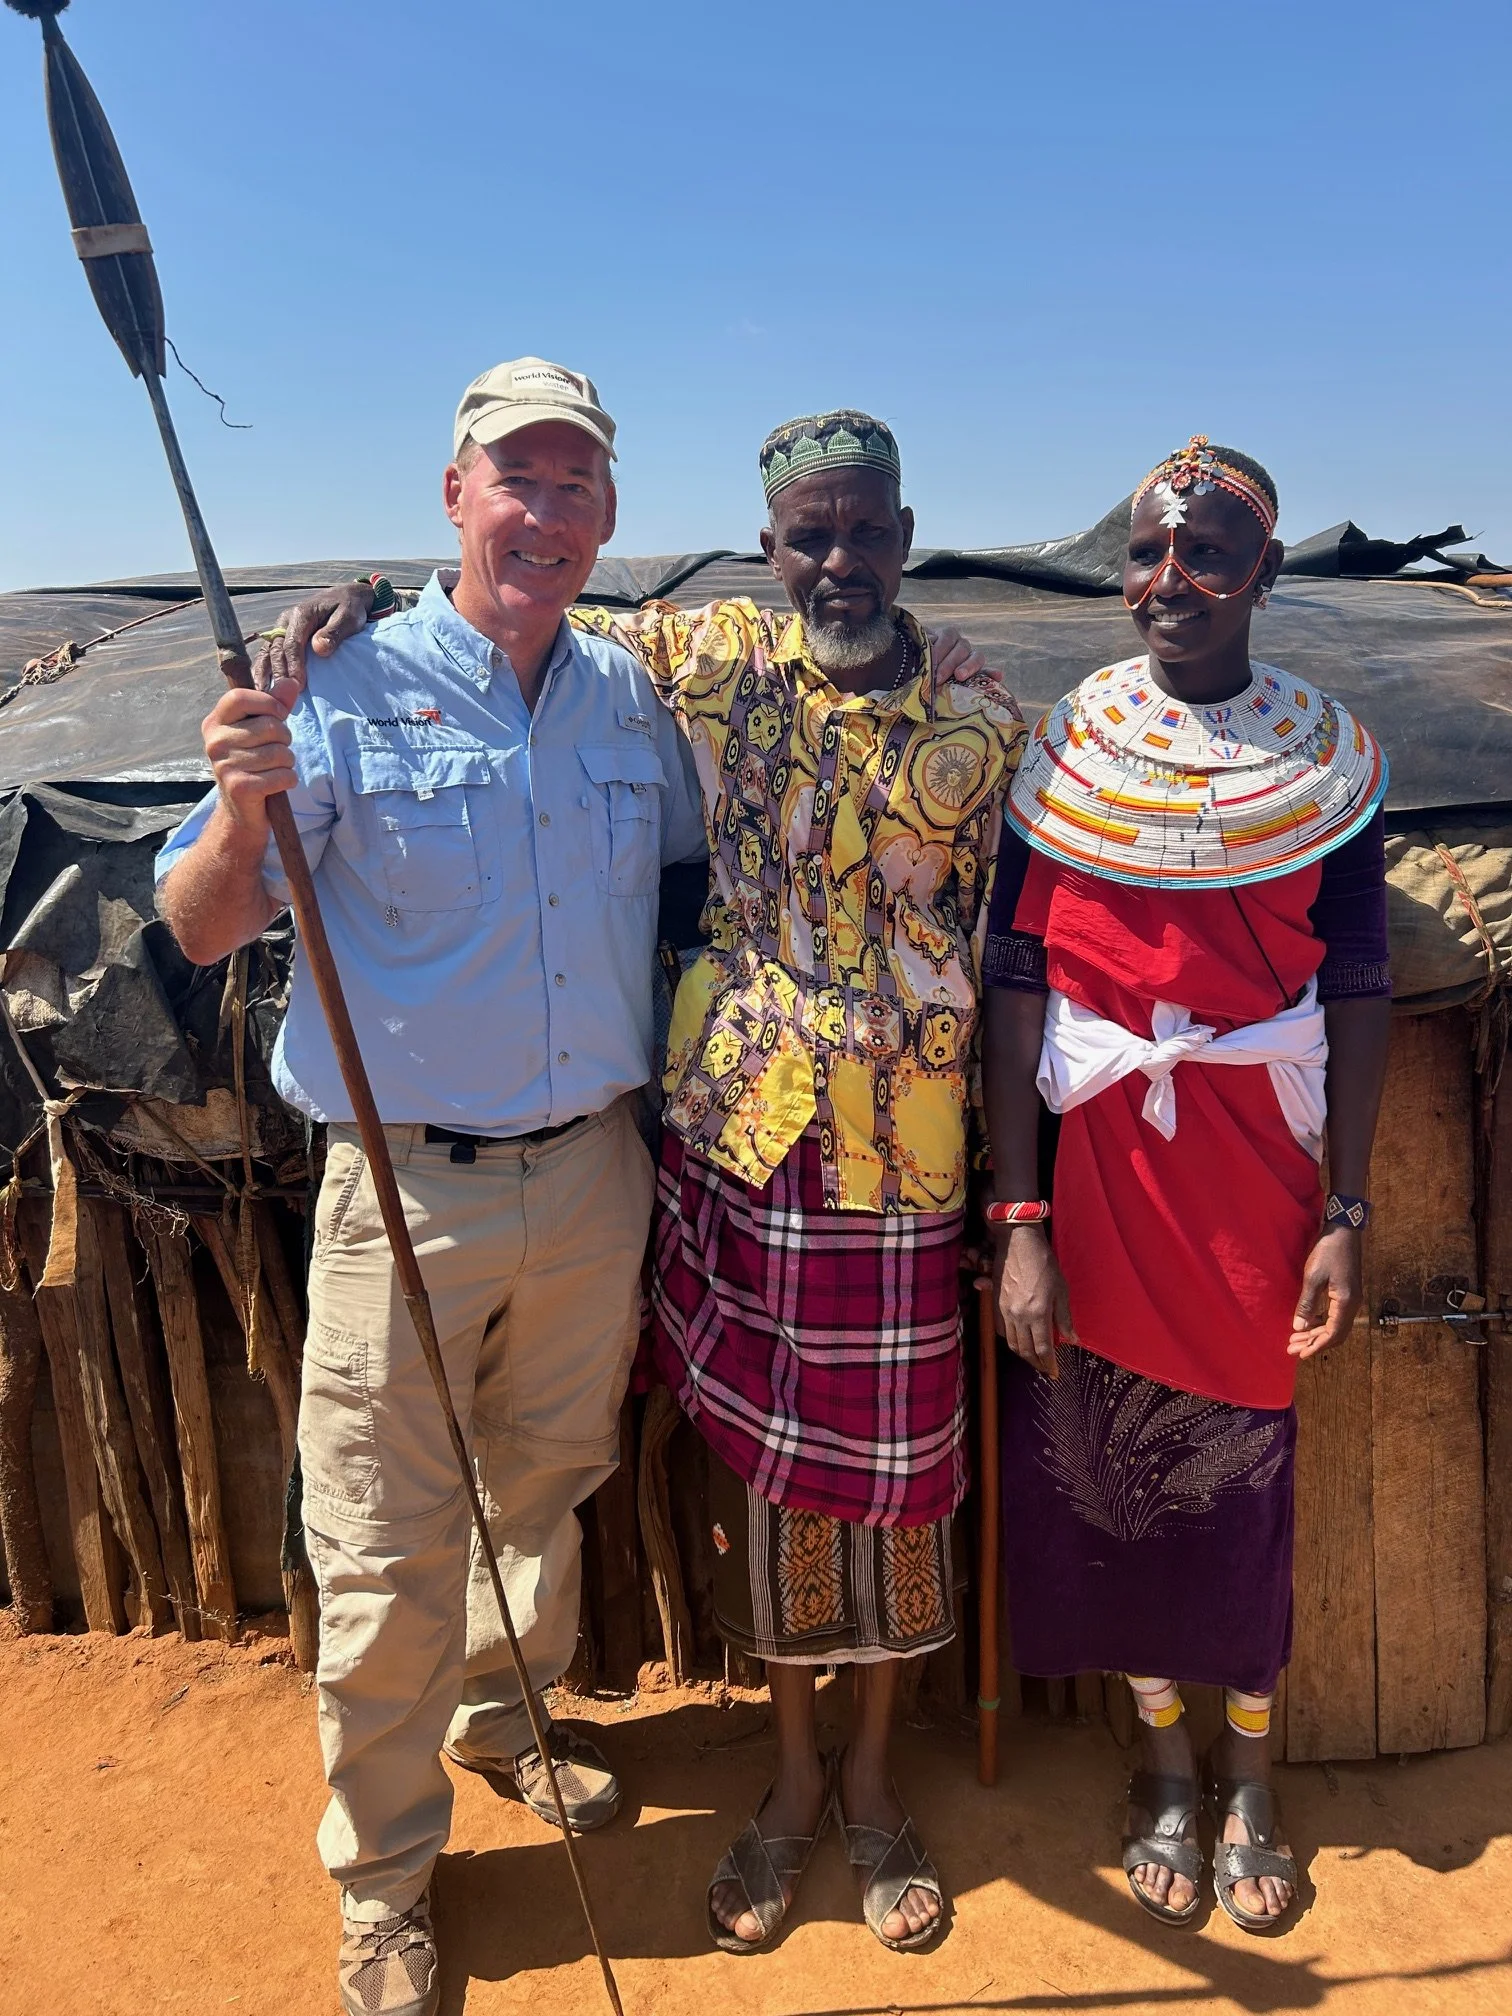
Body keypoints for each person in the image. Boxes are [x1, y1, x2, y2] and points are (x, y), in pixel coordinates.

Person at [277, 408, 1026, 1957]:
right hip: (750, 1134)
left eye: (865, 530)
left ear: (907, 536)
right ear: (769, 546)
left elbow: (1026, 937)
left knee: (900, 1479)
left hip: (909, 1144)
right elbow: (515, 604)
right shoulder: (705, 656)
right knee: (775, 1476)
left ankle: (870, 1781)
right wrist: (367, 594)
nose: (839, 559)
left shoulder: (983, 706)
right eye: (810, 533)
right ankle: (790, 1779)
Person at [155, 358, 710, 2016]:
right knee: (388, 1543)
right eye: (516, 478)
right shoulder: (333, 684)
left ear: (608, 514)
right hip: (406, 1186)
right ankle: (388, 1879)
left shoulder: (635, 698)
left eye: (576, 483)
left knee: (542, 1481)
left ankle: (503, 1717)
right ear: (455, 495)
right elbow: (200, 925)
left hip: (593, 1172)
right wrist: (242, 814)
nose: (547, 511)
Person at [980, 438, 1392, 1933]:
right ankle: (1164, 1761)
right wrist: (1021, 1223)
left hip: (1253, 1175)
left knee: (1241, 1482)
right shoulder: (1066, 754)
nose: (1172, 579)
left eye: (1208, 553)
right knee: (1109, 1480)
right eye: (1150, 550)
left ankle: (1253, 1774)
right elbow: (1015, 982)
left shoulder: (1327, 769)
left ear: (1262, 574)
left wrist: (1345, 1211)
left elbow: (1356, 985)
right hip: (1103, 1172)